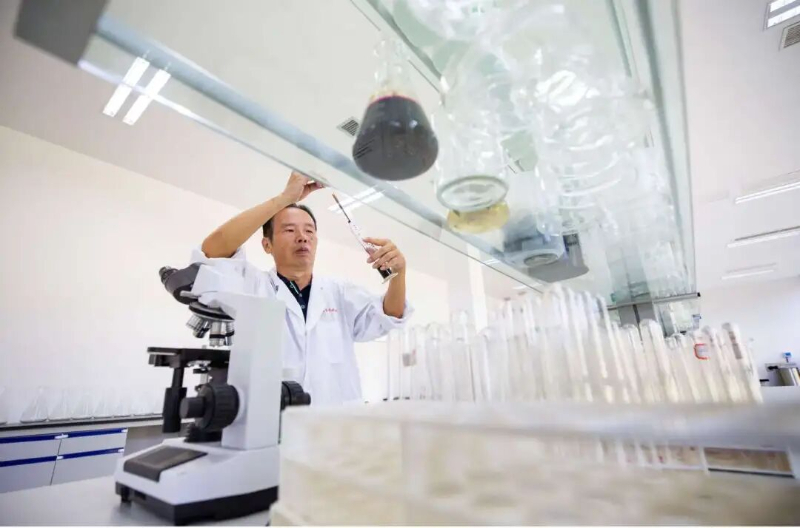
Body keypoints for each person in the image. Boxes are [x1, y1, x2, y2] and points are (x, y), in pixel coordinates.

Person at [196, 171, 412, 405]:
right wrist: (283, 199)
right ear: (267, 245)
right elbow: (211, 252)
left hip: (337, 422)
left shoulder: (339, 292)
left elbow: (390, 316)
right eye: (290, 230)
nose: (302, 237)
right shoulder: (253, 286)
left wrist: (398, 275)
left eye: (309, 231)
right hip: (273, 421)